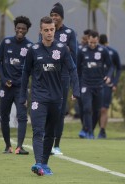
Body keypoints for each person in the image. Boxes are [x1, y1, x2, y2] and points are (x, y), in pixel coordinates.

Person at [20, 16, 80, 176]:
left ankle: (44, 163)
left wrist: (76, 90)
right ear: (40, 31)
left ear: (55, 30)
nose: (49, 33)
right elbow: (25, 73)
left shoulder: (62, 49)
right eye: (46, 30)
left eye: (52, 29)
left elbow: (73, 69)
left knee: (50, 133)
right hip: (38, 98)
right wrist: (22, 96)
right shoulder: (33, 50)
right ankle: (38, 163)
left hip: (56, 98)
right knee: (38, 131)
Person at [0, 16, 32, 155]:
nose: (20, 30)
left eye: (23, 29)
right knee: (4, 116)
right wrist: (4, 79)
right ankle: (8, 146)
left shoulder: (30, 46)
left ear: (27, 30)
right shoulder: (6, 42)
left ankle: (19, 147)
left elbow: (32, 67)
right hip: (5, 87)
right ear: (15, 28)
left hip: (21, 88)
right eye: (18, 28)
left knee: (22, 116)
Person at [49, 2, 78, 155]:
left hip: (63, 75)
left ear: (61, 17)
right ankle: (46, 140)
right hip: (48, 74)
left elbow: (73, 54)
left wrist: (61, 48)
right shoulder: (46, 31)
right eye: (52, 15)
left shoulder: (69, 33)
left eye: (56, 15)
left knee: (60, 111)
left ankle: (57, 145)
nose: (54, 18)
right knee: (47, 108)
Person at [77, 30, 114, 139]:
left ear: (97, 40)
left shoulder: (103, 51)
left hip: (99, 85)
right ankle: (89, 132)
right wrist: (78, 83)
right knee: (87, 108)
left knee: (97, 110)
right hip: (86, 84)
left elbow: (110, 66)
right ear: (88, 40)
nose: (92, 45)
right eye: (90, 42)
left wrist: (108, 76)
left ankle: (90, 129)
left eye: (95, 42)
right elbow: (77, 68)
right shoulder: (82, 51)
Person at [97, 34, 121, 138]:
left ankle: (102, 130)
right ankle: (90, 129)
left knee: (104, 109)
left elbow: (118, 68)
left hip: (107, 84)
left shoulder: (113, 52)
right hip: (95, 83)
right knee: (95, 108)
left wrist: (115, 83)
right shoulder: (95, 51)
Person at [76, 29, 92, 136]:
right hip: (82, 82)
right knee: (83, 107)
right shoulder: (80, 50)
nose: (83, 40)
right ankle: (85, 128)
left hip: (95, 84)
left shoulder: (98, 50)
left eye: (86, 39)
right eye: (83, 38)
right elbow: (76, 67)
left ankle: (88, 129)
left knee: (90, 108)